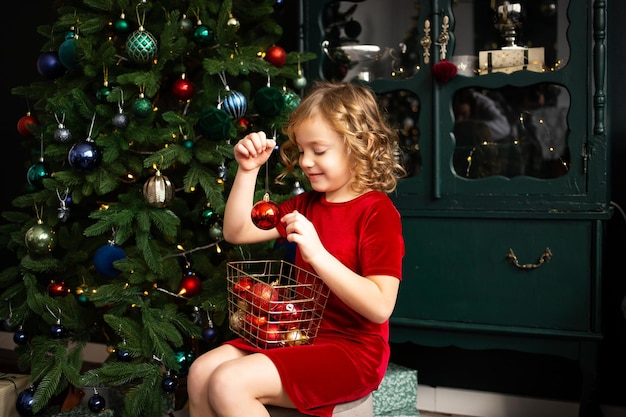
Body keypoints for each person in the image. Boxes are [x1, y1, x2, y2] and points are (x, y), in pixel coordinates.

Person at [186, 81, 406, 417]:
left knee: (229, 383)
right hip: (295, 335)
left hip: (351, 351)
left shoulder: (377, 212)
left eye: (319, 151)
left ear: (363, 146)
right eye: (302, 150)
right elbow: (237, 231)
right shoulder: (306, 204)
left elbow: (379, 307)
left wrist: (318, 254)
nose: (305, 161)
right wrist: (248, 171)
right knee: (201, 372)